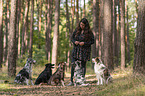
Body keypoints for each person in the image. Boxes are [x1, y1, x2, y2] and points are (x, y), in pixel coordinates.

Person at [67, 18, 94, 86]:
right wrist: (74, 42)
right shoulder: (77, 30)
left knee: (82, 66)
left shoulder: (89, 32)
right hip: (76, 50)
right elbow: (72, 38)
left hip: (84, 51)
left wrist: (84, 43)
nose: (82, 26)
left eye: (83, 25)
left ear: (86, 25)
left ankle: (81, 80)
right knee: (73, 64)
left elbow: (92, 41)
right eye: (81, 24)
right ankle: (72, 81)